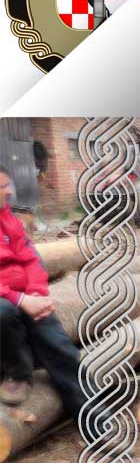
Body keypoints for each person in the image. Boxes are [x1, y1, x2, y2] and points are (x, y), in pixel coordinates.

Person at [0, 166, 88, 424]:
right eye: (2, 186)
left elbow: (30, 259)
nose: (9, 191)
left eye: (8, 184)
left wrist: (37, 295)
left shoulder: (7, 218)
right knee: (3, 312)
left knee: (59, 347)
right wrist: (20, 299)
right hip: (7, 302)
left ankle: (91, 414)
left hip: (24, 297)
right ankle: (18, 372)